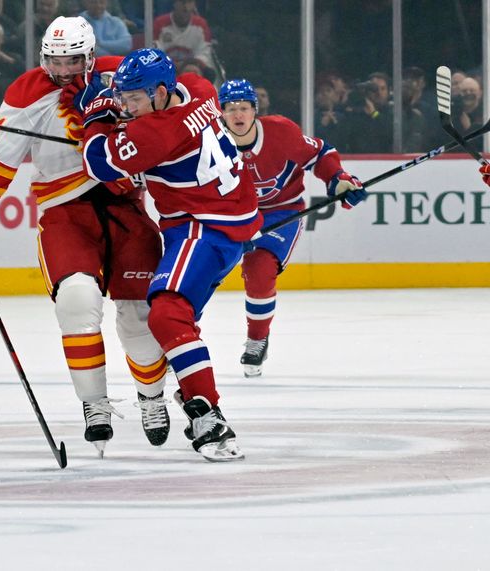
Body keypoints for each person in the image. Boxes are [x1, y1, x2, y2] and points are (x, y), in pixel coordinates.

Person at [0, 16, 170, 455]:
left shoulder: (122, 75)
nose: (63, 70)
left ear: (90, 54)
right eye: (55, 61)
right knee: (77, 299)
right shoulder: (27, 93)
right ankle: (94, 404)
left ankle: (153, 397)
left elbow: (169, 111)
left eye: (73, 60)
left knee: (139, 315)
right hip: (65, 212)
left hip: (125, 207)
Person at [81, 48, 261, 461]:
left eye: (135, 99)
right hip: (229, 219)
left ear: (162, 93)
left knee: (166, 314)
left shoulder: (156, 132)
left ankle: (208, 415)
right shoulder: (198, 88)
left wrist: (96, 116)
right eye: (123, 98)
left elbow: (98, 163)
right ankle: (194, 392)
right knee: (174, 324)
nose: (126, 107)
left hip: (204, 228)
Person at [216, 78, 366, 378]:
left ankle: (257, 339)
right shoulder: (210, 141)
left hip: (278, 213)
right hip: (229, 215)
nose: (238, 115)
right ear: (221, 112)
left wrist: (338, 179)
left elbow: (320, 154)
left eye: (244, 107)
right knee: (201, 273)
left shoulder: (281, 132)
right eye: (231, 109)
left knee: (259, 268)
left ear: (255, 110)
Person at [153, 0, 213, 69]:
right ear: (174, 3)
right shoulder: (159, 24)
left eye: (189, 2)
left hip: (191, 71)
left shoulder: (201, 26)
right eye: (183, 2)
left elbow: (204, 55)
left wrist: (188, 66)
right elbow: (155, 55)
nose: (186, 7)